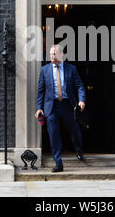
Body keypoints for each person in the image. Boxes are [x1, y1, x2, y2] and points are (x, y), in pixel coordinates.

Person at [35, 44, 86, 172]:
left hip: (67, 105)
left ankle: (79, 149)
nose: (52, 56)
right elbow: (40, 91)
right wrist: (39, 108)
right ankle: (58, 163)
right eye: (50, 54)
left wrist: (81, 100)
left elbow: (79, 85)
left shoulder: (71, 69)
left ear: (61, 55)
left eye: (54, 54)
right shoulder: (44, 70)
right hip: (51, 107)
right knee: (54, 135)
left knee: (75, 131)